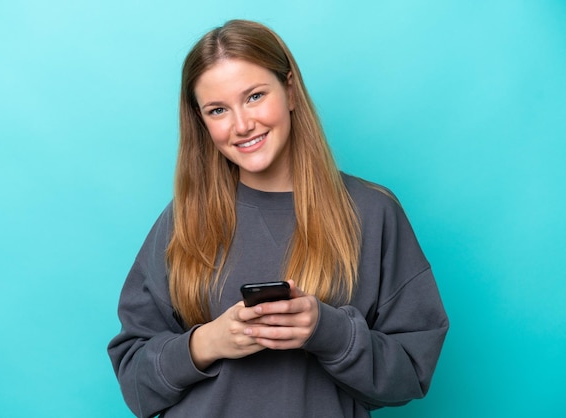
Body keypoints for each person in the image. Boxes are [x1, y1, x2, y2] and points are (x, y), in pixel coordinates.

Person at [107, 19, 448, 418]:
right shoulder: (183, 221)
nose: (241, 124)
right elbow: (134, 380)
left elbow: (411, 373)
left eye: (253, 96)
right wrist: (206, 343)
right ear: (201, 121)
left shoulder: (373, 213)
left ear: (289, 90)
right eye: (218, 110)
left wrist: (326, 330)